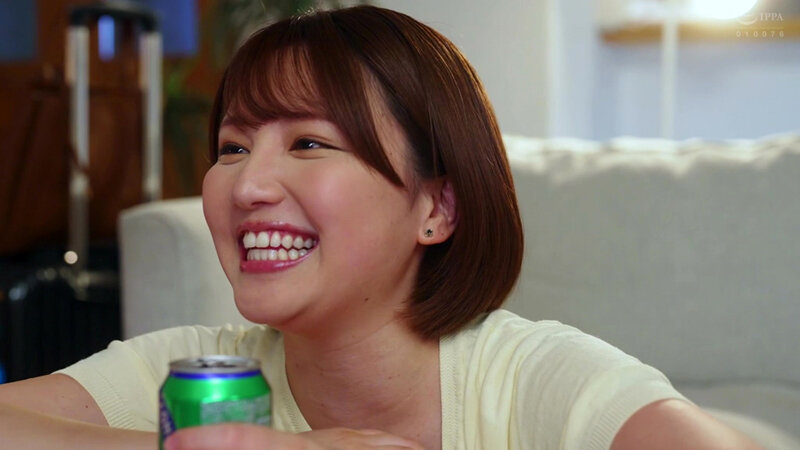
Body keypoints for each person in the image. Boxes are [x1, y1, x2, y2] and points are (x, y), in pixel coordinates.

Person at [0, 6, 760, 450]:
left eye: (309, 142)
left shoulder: (530, 379)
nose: (248, 185)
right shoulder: (198, 377)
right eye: (232, 148)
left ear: (437, 208)